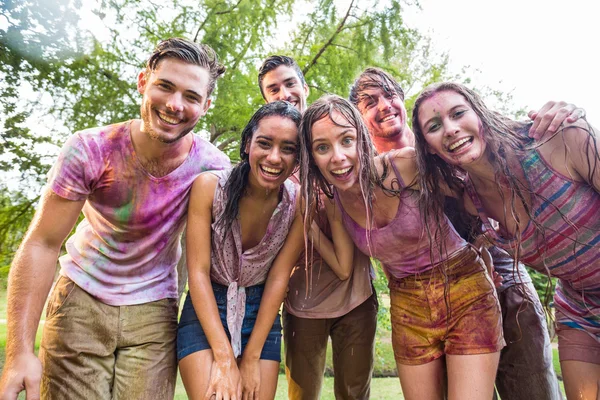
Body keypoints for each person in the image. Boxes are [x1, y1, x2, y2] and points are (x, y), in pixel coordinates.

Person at [0, 38, 231, 400]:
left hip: (153, 311)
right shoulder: (90, 149)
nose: (174, 104)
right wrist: (19, 352)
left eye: (190, 96)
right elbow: (43, 243)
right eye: (165, 86)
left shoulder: (213, 167)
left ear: (206, 105)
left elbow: (220, 258)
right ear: (143, 82)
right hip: (80, 299)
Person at [349, 67, 574, 399]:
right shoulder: (364, 176)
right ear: (359, 116)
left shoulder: (440, 138)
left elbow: (503, 143)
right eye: (370, 102)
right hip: (427, 302)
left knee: (530, 384)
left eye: (389, 95)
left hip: (500, 272)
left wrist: (561, 116)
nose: (383, 105)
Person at [299, 94, 508, 400]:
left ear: (362, 138)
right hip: (407, 306)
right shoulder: (335, 202)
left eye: (347, 140)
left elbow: (474, 188)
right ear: (312, 156)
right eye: (322, 147)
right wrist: (308, 224)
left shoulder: (406, 164)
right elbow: (344, 268)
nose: (338, 157)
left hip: (465, 289)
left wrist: (484, 240)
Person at [411, 81, 600, 399]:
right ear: (429, 146)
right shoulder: (469, 203)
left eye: (459, 113)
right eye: (434, 126)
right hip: (579, 310)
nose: (451, 129)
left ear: (480, 113)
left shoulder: (558, 138)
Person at [177, 101, 355, 400]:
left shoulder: (299, 203)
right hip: (207, 305)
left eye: (288, 148)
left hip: (261, 312)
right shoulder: (209, 187)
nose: (275, 157)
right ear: (248, 144)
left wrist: (250, 359)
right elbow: (198, 272)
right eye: (264, 143)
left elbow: (278, 278)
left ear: (299, 157)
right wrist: (224, 359)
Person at [257, 56, 378, 400]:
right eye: (273, 89)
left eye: (290, 83)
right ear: (267, 99)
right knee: (302, 394)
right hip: (303, 304)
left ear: (304, 87)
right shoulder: (274, 162)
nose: (284, 93)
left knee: (355, 393)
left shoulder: (342, 143)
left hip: (356, 299)